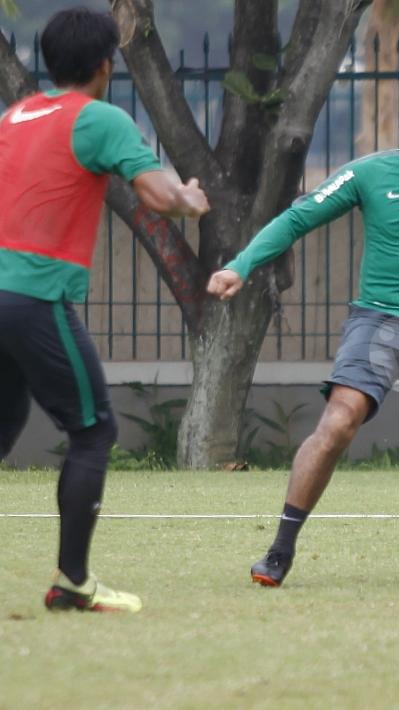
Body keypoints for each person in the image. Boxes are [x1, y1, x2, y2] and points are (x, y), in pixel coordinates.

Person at [207, 54, 399, 586]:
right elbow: (299, 216)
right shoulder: (370, 173)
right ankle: (280, 547)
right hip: (376, 323)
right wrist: (241, 264)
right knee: (338, 422)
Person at [0, 8, 210, 613]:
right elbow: (157, 194)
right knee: (94, 431)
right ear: (104, 65)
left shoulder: (15, 115)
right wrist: (190, 200)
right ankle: (73, 581)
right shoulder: (97, 118)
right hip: (35, 297)